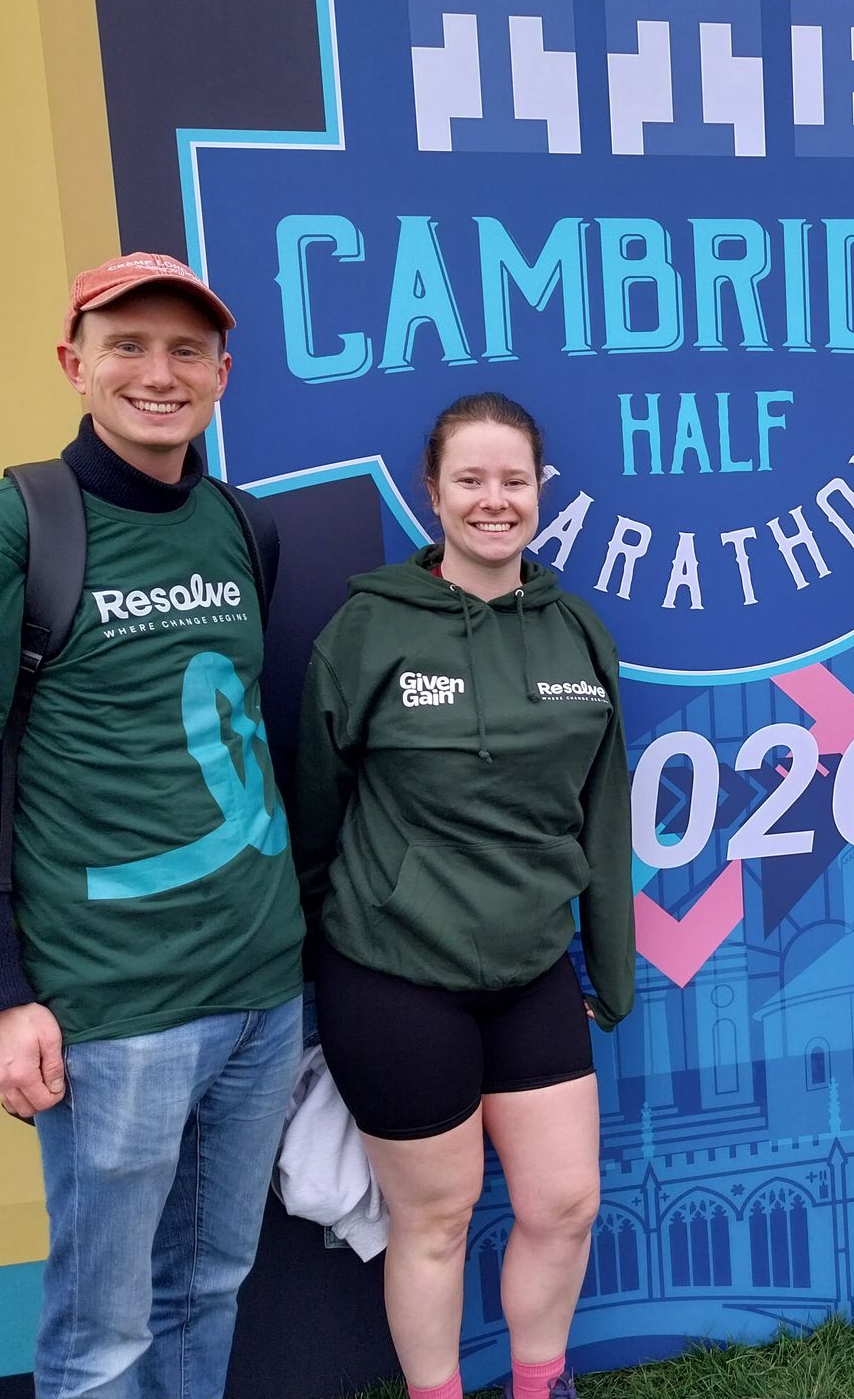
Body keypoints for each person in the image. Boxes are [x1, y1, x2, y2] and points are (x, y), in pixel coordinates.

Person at [0, 254, 305, 1396]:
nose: (156, 374)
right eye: (127, 345)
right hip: (114, 1012)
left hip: (262, 993)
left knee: (210, 1281)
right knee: (103, 1330)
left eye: (184, 350)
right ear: (74, 363)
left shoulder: (238, 526)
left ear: (224, 371)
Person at [293, 392, 634, 1399]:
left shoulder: (577, 630)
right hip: (396, 975)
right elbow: (316, 813)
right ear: (431, 493)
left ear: (542, 493)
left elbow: (603, 816)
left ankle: (541, 1386)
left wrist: (604, 972)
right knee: (435, 1221)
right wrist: (335, 950)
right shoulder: (367, 632)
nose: (496, 501)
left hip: (531, 966)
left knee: (565, 1203)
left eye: (515, 481)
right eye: (472, 481)